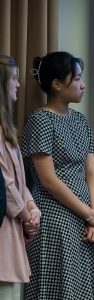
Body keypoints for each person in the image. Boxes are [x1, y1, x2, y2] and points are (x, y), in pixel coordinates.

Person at [21, 51, 94, 299]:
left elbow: (91, 173)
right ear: (57, 84)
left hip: (87, 219)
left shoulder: (81, 120)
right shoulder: (40, 120)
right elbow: (48, 180)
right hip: (55, 219)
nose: (82, 85)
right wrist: (91, 215)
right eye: (76, 79)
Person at [0, 54, 40, 299]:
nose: (18, 84)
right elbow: (4, 184)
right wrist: (27, 216)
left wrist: (33, 208)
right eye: (13, 79)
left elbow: (20, 181)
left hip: (15, 230)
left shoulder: (8, 132)